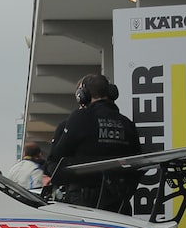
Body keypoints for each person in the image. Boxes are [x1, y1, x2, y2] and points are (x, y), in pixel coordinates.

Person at [45, 73, 140, 211]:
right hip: (118, 204)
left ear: (83, 95)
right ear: (111, 92)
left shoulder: (79, 118)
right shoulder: (127, 124)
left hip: (83, 204)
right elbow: (137, 164)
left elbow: (56, 160)